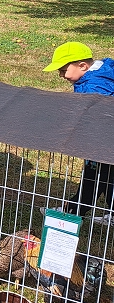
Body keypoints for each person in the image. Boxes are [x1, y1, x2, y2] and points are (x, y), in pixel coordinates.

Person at [42, 42, 114, 224]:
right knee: (97, 178)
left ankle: (74, 211)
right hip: (100, 143)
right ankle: (75, 209)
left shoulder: (95, 87)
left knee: (101, 178)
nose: (60, 75)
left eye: (63, 69)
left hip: (103, 143)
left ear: (83, 65)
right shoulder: (94, 77)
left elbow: (97, 117)